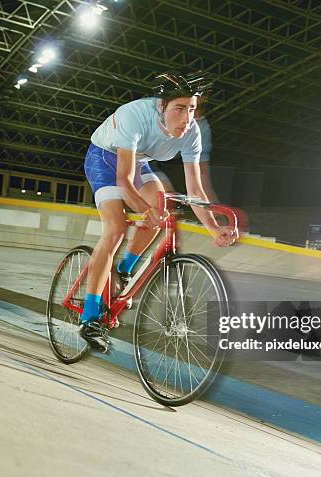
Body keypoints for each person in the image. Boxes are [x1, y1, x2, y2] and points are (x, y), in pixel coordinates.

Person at [80, 72, 236, 352]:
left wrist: (213, 227)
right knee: (116, 228)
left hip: (139, 161)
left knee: (163, 206)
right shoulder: (134, 116)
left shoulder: (192, 134)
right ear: (161, 107)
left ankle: (125, 270)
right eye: (179, 108)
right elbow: (124, 182)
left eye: (191, 108)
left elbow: (196, 190)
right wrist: (143, 210)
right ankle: (90, 315)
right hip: (104, 159)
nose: (186, 117)